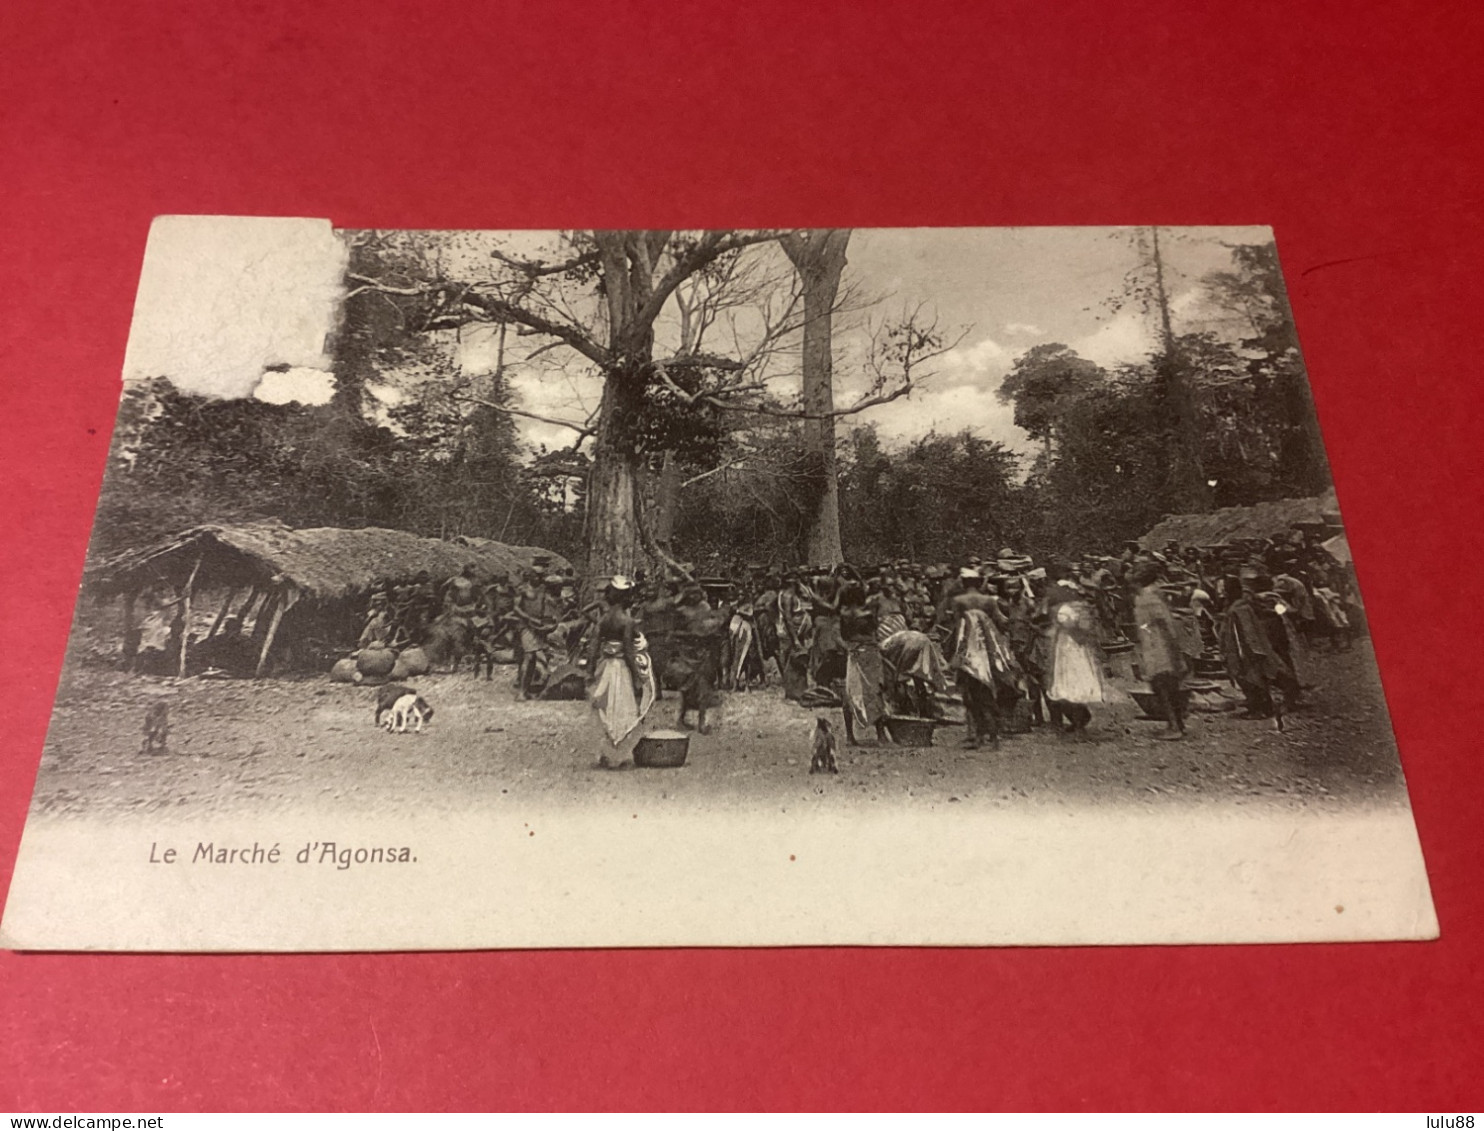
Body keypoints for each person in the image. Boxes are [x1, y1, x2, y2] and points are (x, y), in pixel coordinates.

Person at [586, 576, 656, 768]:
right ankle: (621, 756)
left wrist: (590, 670)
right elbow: (628, 650)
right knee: (623, 709)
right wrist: (637, 676)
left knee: (605, 708)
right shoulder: (627, 621)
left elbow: (593, 647)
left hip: (605, 666)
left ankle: (605, 754)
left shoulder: (604, 619)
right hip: (621, 668)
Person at [946, 568, 1018, 749]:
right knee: (987, 692)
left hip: (968, 652)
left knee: (971, 695)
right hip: (988, 651)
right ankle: (993, 736)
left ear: (963, 583)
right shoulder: (988, 601)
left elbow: (958, 629)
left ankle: (978, 736)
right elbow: (1001, 622)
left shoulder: (958, 601)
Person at [1043, 561, 1104, 733]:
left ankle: (1078, 720)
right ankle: (1079, 717)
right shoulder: (1079, 591)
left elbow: (1045, 614)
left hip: (1064, 639)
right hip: (1079, 639)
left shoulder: (1053, 592)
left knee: (1066, 678)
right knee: (1078, 675)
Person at [1132, 561, 1189, 739]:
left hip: (1158, 645)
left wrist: (1171, 647)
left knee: (1162, 686)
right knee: (1166, 685)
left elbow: (1163, 623)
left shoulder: (1148, 597)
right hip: (1155, 642)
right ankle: (1177, 723)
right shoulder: (1149, 595)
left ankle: (1174, 726)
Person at [838, 580, 890, 745]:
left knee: (851, 691)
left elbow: (843, 636)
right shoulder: (867, 614)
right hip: (869, 651)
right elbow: (874, 633)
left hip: (853, 652)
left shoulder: (844, 614)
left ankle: (850, 736)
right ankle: (881, 734)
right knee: (875, 691)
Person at [668, 582, 723, 734]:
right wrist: (691, 634)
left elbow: (712, 625)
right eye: (691, 593)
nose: (694, 596)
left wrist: (710, 630)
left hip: (703, 652)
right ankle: (681, 719)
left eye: (696, 593)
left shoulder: (705, 607)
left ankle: (701, 723)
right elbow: (673, 633)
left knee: (704, 688)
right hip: (687, 653)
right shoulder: (681, 611)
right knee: (686, 690)